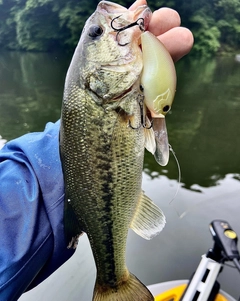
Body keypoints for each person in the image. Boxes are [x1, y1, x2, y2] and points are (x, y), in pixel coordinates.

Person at [0, 0, 194, 299]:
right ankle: (113, 283)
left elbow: (83, 139)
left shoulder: (105, 92)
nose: (104, 20)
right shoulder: (105, 93)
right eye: (96, 33)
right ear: (93, 77)